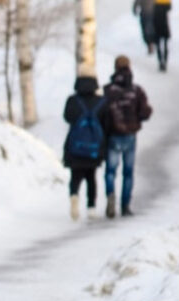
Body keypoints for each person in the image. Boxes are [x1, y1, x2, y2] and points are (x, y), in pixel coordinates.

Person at [103, 56, 152, 217]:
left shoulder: (108, 90)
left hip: (113, 136)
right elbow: (145, 112)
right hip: (130, 135)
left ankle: (110, 195)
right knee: (128, 172)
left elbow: (102, 112)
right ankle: (125, 205)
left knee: (110, 171)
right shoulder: (136, 90)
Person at [62, 75, 112, 221]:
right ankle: (91, 207)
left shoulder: (72, 101)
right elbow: (106, 123)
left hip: (75, 144)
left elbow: (67, 117)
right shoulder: (101, 102)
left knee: (75, 176)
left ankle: (74, 196)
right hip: (94, 146)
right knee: (91, 177)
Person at [153, 0, 172, 71]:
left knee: (158, 46)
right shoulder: (166, 3)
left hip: (157, 28)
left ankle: (160, 62)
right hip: (164, 27)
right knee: (165, 45)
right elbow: (170, 8)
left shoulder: (155, 5)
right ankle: (165, 62)